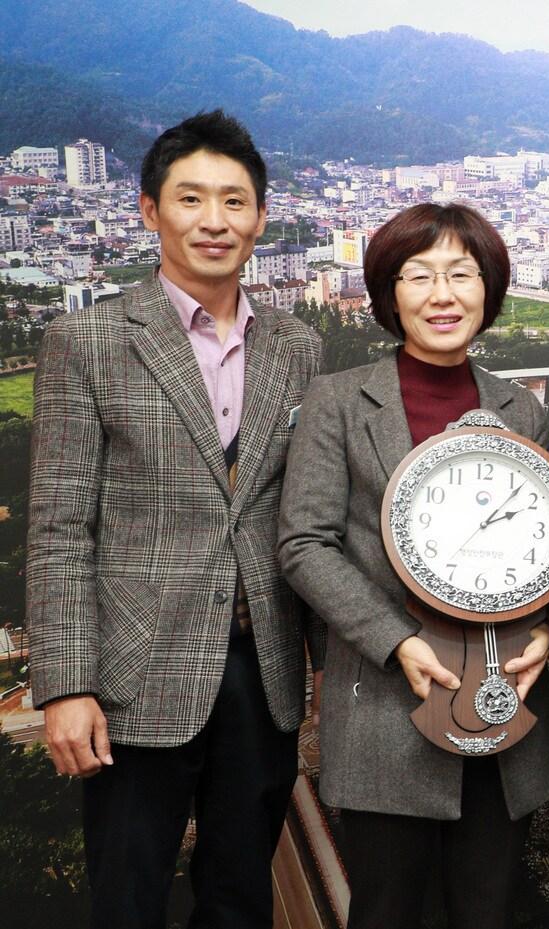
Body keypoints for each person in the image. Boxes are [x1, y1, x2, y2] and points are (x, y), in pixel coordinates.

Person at [26, 110, 321, 929]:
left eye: (235, 201)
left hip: (262, 667)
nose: (215, 220)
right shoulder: (85, 340)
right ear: (151, 211)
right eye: (192, 198)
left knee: (238, 893)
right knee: (128, 895)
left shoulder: (297, 346)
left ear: (261, 218)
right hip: (132, 670)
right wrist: (67, 683)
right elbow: (58, 528)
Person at [277, 202, 549, 929]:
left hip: (503, 706)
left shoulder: (519, 411)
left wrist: (543, 634)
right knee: (389, 912)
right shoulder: (338, 401)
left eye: (461, 274)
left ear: (489, 289)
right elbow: (304, 543)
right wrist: (395, 639)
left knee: (488, 909)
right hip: (384, 709)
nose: (443, 294)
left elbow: (540, 545)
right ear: (388, 293)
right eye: (420, 275)